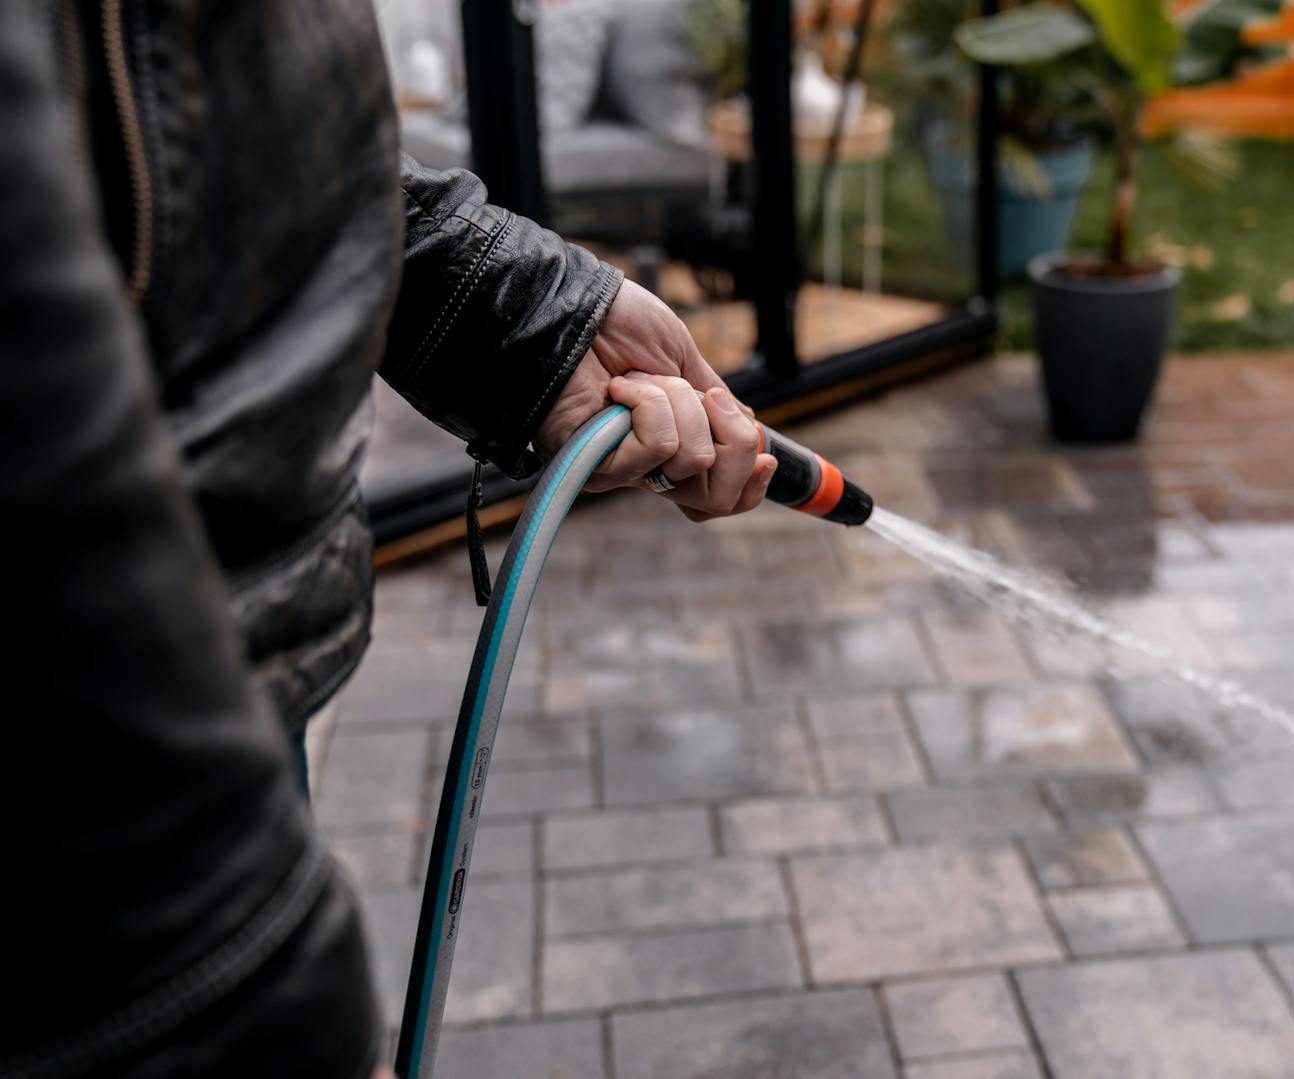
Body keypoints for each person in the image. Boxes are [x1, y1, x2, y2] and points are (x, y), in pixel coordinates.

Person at [0, 2, 771, 1076]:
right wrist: (209, 989)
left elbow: (214, 116)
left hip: (229, 679)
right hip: (101, 830)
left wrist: (527, 313)